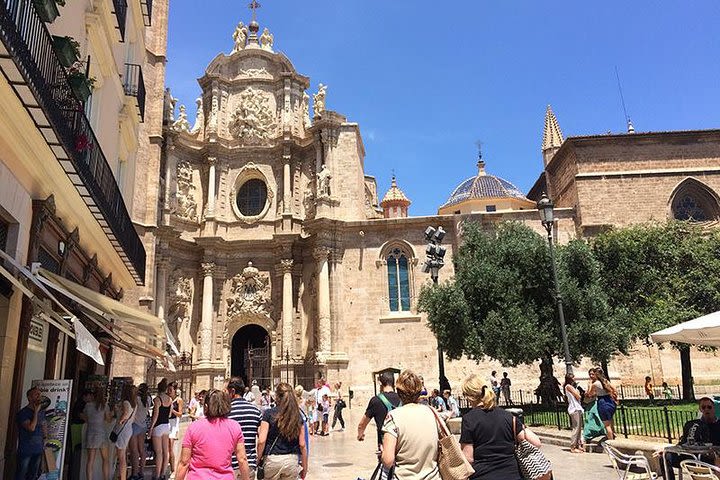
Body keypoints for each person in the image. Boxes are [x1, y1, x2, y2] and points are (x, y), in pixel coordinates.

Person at [460, 373, 543, 480]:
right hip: (513, 475)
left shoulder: (469, 419)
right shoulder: (508, 416)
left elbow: (469, 458)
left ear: (469, 396)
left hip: (483, 475)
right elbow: (536, 442)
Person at [175, 389, 251, 480]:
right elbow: (242, 459)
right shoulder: (234, 427)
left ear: (206, 407)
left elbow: (184, 462)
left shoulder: (194, 427)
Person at [380, 369, 441, 480]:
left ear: (398, 392)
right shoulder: (432, 412)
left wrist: (383, 451)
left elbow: (388, 461)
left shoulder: (393, 417)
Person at [658, 397, 720, 480]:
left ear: (713, 409)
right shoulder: (693, 424)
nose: (706, 410)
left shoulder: (718, 424)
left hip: (710, 457)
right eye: (703, 407)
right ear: (700, 410)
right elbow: (683, 442)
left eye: (709, 407)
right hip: (691, 455)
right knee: (664, 456)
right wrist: (668, 450)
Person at [256, 383, 308, 480]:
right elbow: (302, 444)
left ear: (277, 396)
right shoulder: (297, 415)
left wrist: (257, 459)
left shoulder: (268, 414)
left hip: (272, 460)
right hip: (291, 461)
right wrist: (305, 467)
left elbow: (261, 441)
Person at [227, 377, 262, 479]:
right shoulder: (256, 411)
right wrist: (258, 459)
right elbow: (261, 439)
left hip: (229, 465)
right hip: (249, 464)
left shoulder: (225, 412)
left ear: (232, 391)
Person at [358, 372, 402, 447]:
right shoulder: (402, 398)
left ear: (381, 384)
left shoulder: (375, 400)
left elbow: (362, 424)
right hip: (401, 444)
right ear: (393, 384)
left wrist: (360, 435)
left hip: (384, 445)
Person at [15, 387, 47, 480]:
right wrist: (36, 412)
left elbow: (44, 424)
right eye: (36, 394)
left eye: (40, 394)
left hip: (38, 449)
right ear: (29, 397)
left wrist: (45, 438)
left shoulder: (42, 411)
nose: (39, 397)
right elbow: (31, 428)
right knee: (21, 475)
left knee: (33, 475)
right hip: (26, 450)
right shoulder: (23, 413)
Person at [82, 386, 112, 480]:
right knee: (105, 459)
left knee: (90, 460)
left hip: (91, 434)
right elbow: (108, 420)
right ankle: (106, 478)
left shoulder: (87, 406)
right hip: (101, 434)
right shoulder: (104, 406)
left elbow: (85, 418)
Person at [149, 378, 173, 480]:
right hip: (166, 426)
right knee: (165, 451)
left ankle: (157, 475)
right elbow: (170, 414)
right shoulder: (170, 399)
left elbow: (155, 415)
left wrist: (151, 428)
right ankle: (163, 474)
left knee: (158, 452)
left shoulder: (157, 399)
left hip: (158, 426)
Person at [585, 367, 617, 440]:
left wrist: (589, 385)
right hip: (610, 401)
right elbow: (614, 389)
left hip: (602, 402)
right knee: (610, 419)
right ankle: (613, 434)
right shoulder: (606, 381)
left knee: (607, 425)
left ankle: (611, 441)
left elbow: (589, 395)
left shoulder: (595, 384)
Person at [113, 384, 137, 480]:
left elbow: (125, 414)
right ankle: (122, 476)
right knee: (123, 455)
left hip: (122, 430)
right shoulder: (134, 404)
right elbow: (133, 418)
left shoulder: (126, 402)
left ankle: (122, 477)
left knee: (121, 457)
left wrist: (120, 420)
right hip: (128, 429)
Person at [129, 383, 152, 480]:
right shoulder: (148, 399)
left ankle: (134, 474)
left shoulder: (136, 399)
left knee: (134, 451)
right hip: (143, 426)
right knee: (142, 450)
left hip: (135, 425)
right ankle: (141, 472)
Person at [564, 373, 585, 453]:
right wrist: (578, 392)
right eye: (573, 377)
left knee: (579, 428)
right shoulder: (568, 386)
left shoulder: (572, 387)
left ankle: (578, 444)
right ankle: (573, 446)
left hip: (577, 407)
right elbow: (578, 396)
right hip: (574, 408)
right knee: (576, 428)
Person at [169, 383, 183, 473]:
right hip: (166, 423)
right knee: (165, 448)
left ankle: (173, 469)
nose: (169, 392)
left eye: (170, 390)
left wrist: (172, 410)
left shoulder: (179, 400)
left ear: (175, 390)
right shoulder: (168, 399)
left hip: (173, 424)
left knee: (170, 447)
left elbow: (180, 414)